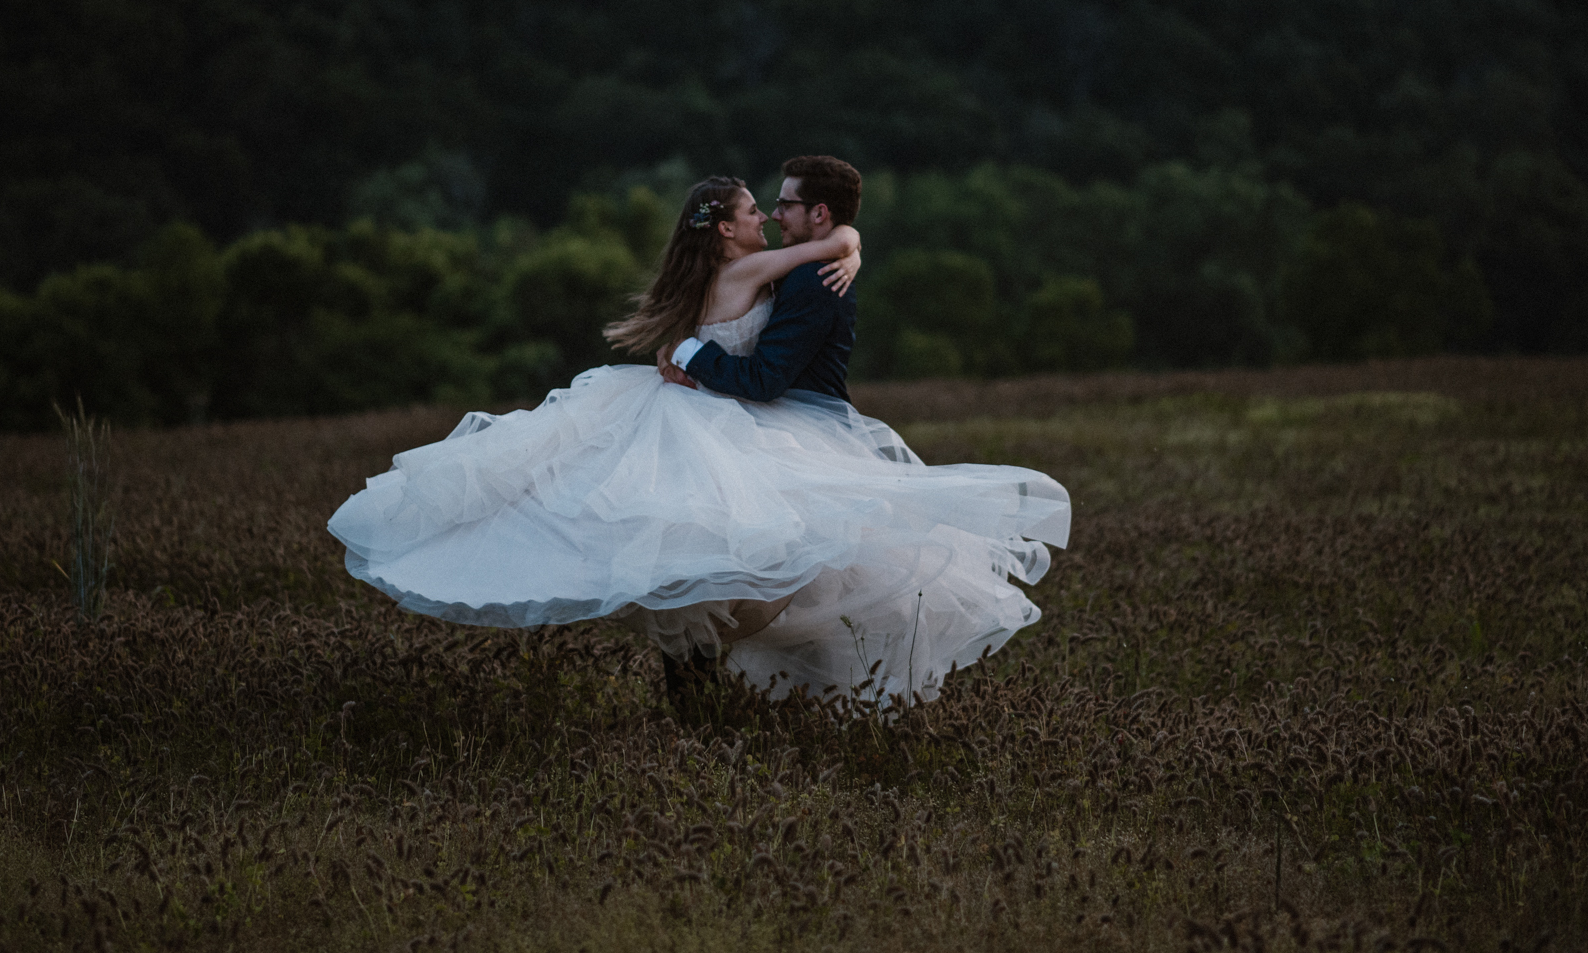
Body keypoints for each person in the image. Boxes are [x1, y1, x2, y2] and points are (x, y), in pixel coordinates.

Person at [327, 156, 1070, 705]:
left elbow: (825, 245)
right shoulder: (750, 272)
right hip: (709, 416)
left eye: (773, 208)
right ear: (722, 230)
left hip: (702, 412)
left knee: (696, 549)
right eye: (754, 212)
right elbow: (823, 247)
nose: (765, 218)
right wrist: (847, 242)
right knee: (708, 548)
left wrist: (848, 241)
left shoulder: (739, 271)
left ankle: (699, 683)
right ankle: (702, 684)